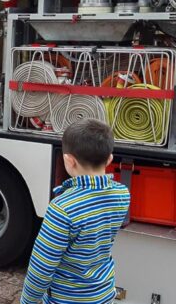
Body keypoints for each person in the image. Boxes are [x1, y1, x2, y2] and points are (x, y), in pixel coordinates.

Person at [20, 119, 130, 304]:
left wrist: (28, 301)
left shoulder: (62, 208)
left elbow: (42, 266)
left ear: (68, 160)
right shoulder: (122, 194)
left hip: (66, 299)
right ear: (110, 159)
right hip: (102, 294)